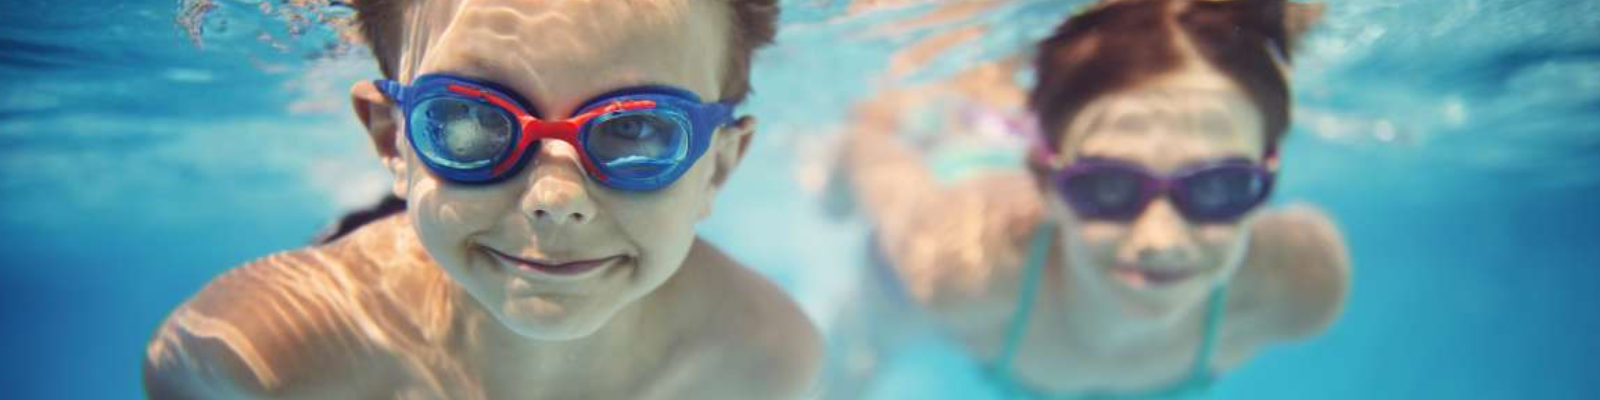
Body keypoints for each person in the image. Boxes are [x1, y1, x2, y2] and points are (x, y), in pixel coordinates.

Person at [142, 0, 821, 398]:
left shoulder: (763, 358)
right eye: (471, 119)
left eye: (636, 127)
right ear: (392, 141)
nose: (555, 198)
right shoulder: (259, 358)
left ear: (718, 167)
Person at [836, 0, 1348, 397]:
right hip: (963, 169)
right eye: (1108, 186)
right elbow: (873, 144)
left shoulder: (1300, 286)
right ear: (1045, 181)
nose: (1160, 240)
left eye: (1218, 186)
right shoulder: (956, 266)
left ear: (1268, 178)